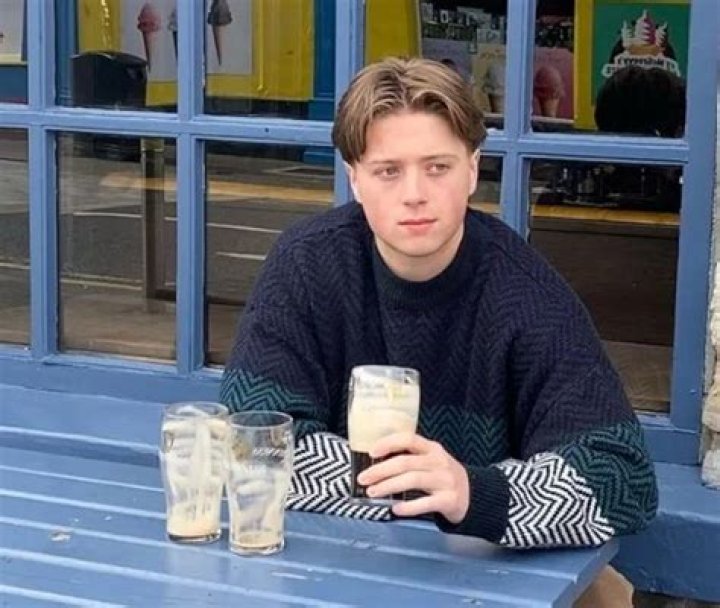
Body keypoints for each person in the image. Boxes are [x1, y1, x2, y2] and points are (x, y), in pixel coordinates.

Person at [220, 57, 657, 607]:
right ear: (354, 177)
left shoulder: (524, 292)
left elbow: (623, 479)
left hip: (496, 574)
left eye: (437, 167)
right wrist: (419, 483)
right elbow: (249, 443)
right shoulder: (308, 265)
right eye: (388, 171)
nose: (414, 193)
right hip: (332, 563)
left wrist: (472, 490)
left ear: (472, 169)